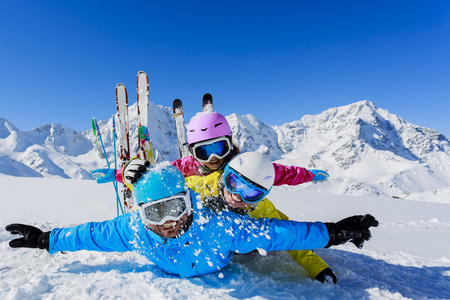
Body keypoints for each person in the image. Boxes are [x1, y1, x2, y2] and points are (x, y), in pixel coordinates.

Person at [6, 164, 378, 278]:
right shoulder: (133, 229)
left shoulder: (219, 225)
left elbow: (282, 232)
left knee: (254, 237)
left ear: (190, 203)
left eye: (176, 209)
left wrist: (336, 233)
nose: (168, 222)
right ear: (140, 215)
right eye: (155, 212)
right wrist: (46, 240)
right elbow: (90, 235)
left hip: (223, 254)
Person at [125, 153, 337, 283]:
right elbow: (162, 189)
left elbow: (290, 236)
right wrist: (129, 177)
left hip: (238, 250)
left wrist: (316, 266)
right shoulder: (201, 187)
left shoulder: (264, 210)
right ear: (225, 174)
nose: (237, 196)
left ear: (261, 197)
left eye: (251, 193)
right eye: (234, 183)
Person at [92, 111, 330, 186]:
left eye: (219, 147)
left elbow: (279, 172)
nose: (214, 157)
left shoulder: (242, 166)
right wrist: (118, 174)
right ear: (193, 152)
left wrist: (308, 175)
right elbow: (153, 175)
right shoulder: (187, 167)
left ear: (230, 142)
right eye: (204, 152)